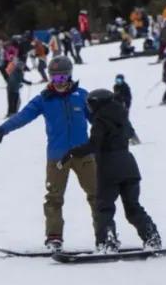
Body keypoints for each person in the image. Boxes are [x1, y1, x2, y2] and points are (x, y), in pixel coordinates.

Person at [0, 56, 97, 252]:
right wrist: (2, 130)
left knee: (97, 195)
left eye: (63, 78)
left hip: (84, 155)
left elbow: (100, 120)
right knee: (54, 198)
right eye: (55, 78)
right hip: (57, 157)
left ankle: (104, 234)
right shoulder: (44, 99)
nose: (59, 83)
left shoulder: (82, 96)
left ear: (70, 76)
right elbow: (23, 116)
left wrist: (119, 134)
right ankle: (54, 237)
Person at [59, 89, 160, 253]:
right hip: (130, 168)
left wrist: (72, 153)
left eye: (90, 104)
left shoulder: (100, 120)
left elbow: (94, 145)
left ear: (97, 103)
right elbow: (128, 135)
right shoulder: (122, 118)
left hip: (109, 169)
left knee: (103, 208)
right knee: (133, 207)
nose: (89, 108)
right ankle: (152, 238)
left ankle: (107, 242)